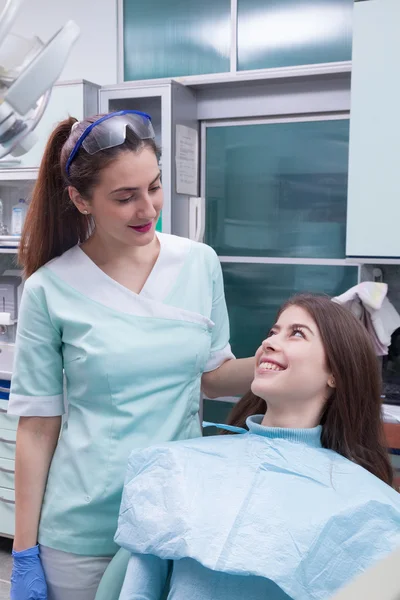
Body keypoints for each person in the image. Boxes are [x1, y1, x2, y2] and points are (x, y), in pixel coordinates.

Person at [8, 110, 255, 600]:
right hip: (82, 531)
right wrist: (23, 551)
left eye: (154, 187)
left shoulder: (199, 263)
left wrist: (281, 357)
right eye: (125, 197)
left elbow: (214, 376)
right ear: (81, 200)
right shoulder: (49, 289)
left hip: (174, 515)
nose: (148, 209)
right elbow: (37, 427)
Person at [115, 294, 400, 600]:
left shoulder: (371, 507)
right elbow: (139, 590)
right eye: (272, 332)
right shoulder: (178, 466)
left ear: (335, 374)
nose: (271, 342)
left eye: (297, 334)